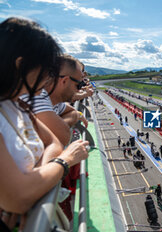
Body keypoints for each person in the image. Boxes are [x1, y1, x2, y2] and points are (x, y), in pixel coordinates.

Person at [0, 17, 89, 229]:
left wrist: (34, 178)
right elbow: (19, 196)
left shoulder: (17, 104)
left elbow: (54, 143)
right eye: (46, 70)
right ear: (20, 65)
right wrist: (64, 161)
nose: (50, 78)